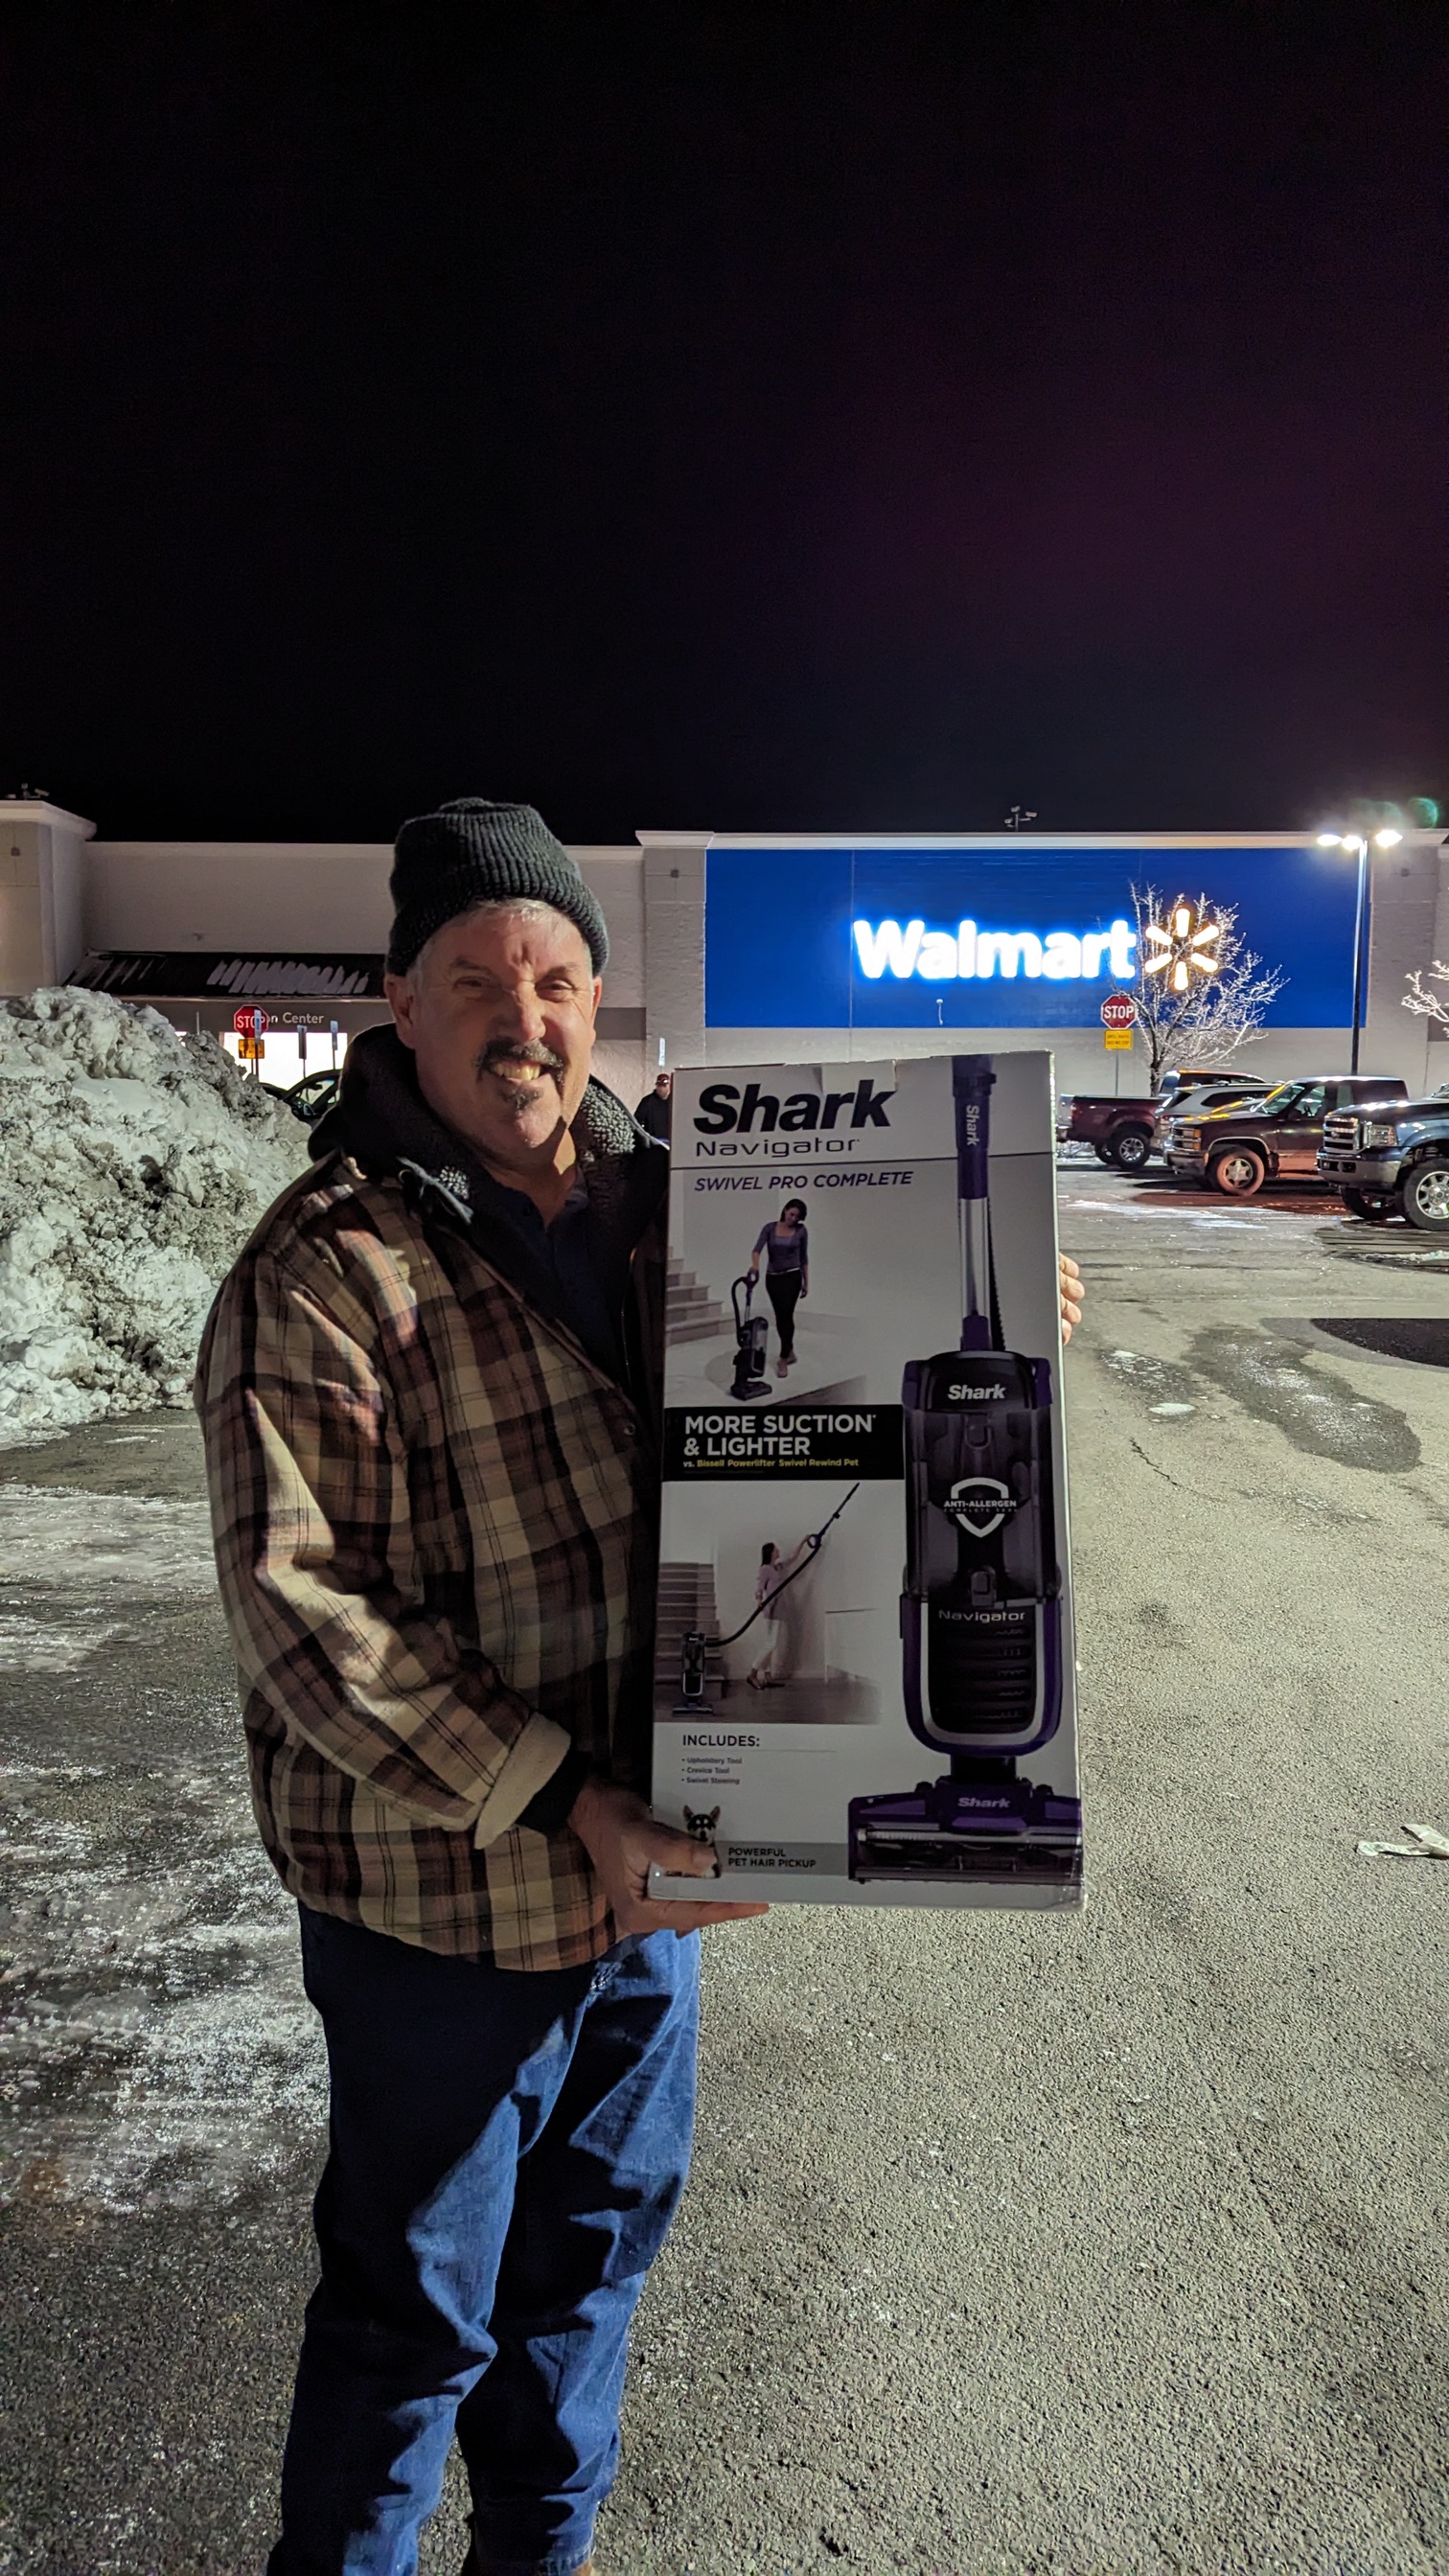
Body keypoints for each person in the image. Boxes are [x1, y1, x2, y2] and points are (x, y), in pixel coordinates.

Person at [196, 797, 766, 2576]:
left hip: (642, 1894)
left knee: (585, 2286)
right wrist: (567, 1798)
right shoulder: (325, 1265)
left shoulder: (678, 1207)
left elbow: (823, 1409)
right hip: (443, 1909)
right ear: (401, 1000)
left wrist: (984, 1315)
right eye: (476, 980)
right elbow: (310, 1619)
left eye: (557, 978)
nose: (526, 1018)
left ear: (597, 996)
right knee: (412, 2323)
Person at [747, 1196, 809, 1372]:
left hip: (792, 1277)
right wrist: (755, 1266)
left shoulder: (801, 1231)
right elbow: (756, 1250)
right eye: (791, 1214)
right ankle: (790, 1351)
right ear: (785, 1210)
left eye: (797, 1217)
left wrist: (806, 1282)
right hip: (773, 1278)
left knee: (786, 1316)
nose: (793, 1219)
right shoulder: (769, 1228)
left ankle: (783, 1357)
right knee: (780, 1316)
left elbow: (804, 1258)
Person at [747, 1534, 814, 1689]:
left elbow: (793, 1558)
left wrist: (804, 1541)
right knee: (770, 1644)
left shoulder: (778, 1567)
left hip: (780, 1608)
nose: (778, 1551)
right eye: (776, 1550)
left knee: (770, 1644)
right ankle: (752, 1673)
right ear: (770, 1553)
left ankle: (768, 1676)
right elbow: (759, 1588)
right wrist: (759, 1601)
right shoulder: (765, 1569)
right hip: (771, 1609)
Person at [633, 1068, 672, 1140]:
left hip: (671, 1140)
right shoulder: (647, 1101)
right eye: (659, 1086)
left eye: (664, 1086)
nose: (661, 1089)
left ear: (669, 1086)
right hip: (653, 1140)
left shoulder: (673, 1102)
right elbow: (637, 1121)